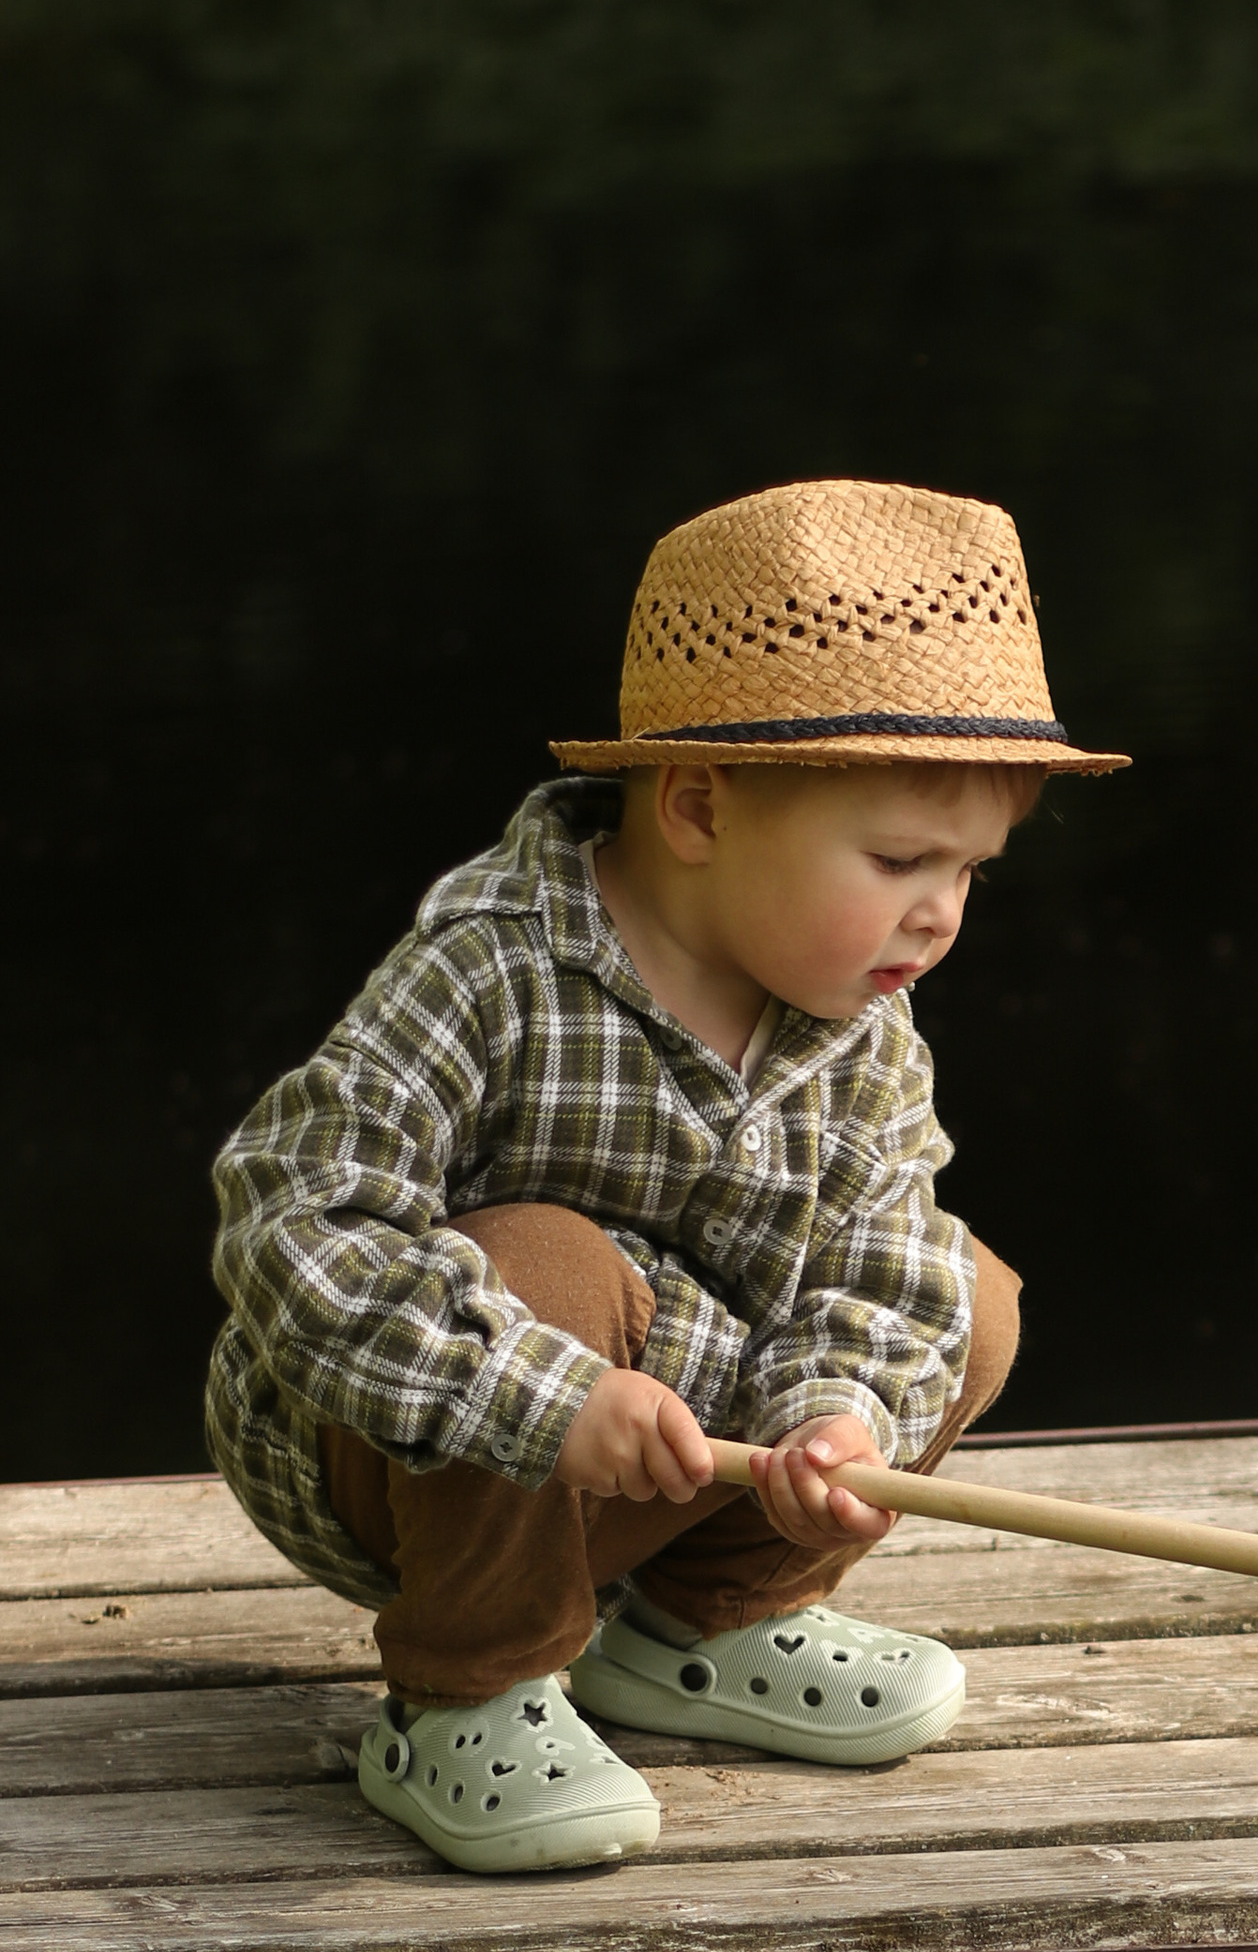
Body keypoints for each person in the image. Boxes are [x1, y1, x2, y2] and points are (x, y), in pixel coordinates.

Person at [204, 475, 1126, 1874]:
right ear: (697, 806)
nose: (940, 916)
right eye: (899, 860)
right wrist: (543, 1396)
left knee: (961, 1292)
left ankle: (703, 1625)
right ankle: (464, 1690)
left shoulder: (865, 1027)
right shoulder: (495, 967)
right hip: (405, 1449)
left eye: (972, 873)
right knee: (548, 1263)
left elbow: (876, 1262)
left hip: (676, 1440)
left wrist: (836, 1418)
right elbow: (296, 1217)